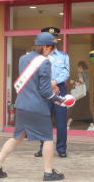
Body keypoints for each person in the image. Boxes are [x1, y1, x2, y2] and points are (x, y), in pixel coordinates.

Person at [0, 32, 74, 181]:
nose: (51, 52)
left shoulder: (23, 58)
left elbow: (30, 83)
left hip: (21, 104)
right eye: (51, 49)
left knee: (17, 137)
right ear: (46, 47)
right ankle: (48, 172)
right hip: (37, 107)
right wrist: (61, 100)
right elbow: (45, 91)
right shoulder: (45, 62)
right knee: (47, 138)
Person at [34, 27, 70, 158]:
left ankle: (61, 148)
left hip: (60, 89)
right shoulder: (39, 56)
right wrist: (49, 83)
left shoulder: (63, 56)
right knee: (44, 120)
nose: (52, 39)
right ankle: (42, 147)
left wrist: (55, 82)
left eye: (54, 37)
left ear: (57, 39)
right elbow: (37, 73)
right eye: (50, 37)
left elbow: (66, 72)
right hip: (44, 90)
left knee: (61, 120)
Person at [67, 61, 94, 131]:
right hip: (86, 94)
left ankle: (67, 125)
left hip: (81, 95)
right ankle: (92, 125)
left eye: (77, 67)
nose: (77, 68)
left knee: (75, 109)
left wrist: (73, 82)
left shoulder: (80, 73)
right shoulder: (87, 74)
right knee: (87, 110)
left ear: (80, 67)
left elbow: (81, 82)